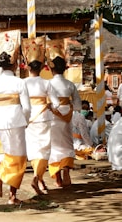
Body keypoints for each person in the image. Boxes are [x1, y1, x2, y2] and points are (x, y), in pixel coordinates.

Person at [0, 51, 31, 204]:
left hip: (0, 121)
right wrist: (25, 121)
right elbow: (26, 108)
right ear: (14, 65)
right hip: (16, 120)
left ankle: (1, 178)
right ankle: (12, 195)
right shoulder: (20, 82)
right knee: (19, 157)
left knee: (8, 154)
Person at [23, 37, 59, 195]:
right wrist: (50, 105)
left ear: (26, 66)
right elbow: (56, 103)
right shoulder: (46, 83)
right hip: (43, 117)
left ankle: (40, 179)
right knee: (43, 150)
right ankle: (37, 178)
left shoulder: (22, 83)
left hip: (29, 118)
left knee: (34, 150)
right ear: (43, 66)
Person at [46, 39, 81, 188]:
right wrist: (71, 108)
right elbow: (78, 104)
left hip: (53, 115)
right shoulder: (70, 84)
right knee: (67, 143)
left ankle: (58, 177)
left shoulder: (48, 84)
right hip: (67, 112)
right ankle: (66, 171)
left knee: (54, 145)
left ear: (51, 68)